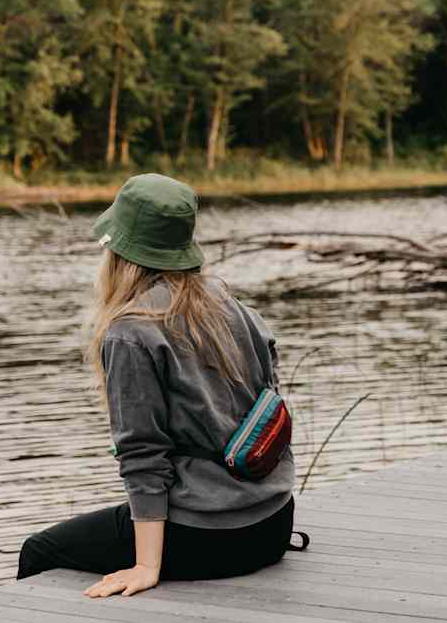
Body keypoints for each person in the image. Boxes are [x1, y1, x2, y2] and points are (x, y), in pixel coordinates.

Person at [16, 173, 297, 599]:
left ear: (121, 252)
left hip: (209, 539)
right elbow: (269, 401)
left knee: (38, 550)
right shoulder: (232, 305)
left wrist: (147, 565)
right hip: (274, 523)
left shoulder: (131, 332)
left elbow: (142, 454)